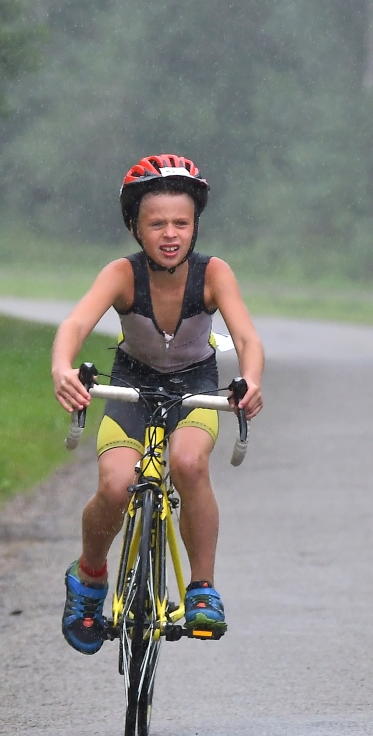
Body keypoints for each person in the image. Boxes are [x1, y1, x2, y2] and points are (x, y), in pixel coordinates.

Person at [51, 154, 264, 654]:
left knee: (188, 464)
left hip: (195, 387)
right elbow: (75, 324)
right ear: (135, 228)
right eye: (157, 224)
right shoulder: (122, 274)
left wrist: (250, 380)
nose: (170, 234)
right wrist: (63, 368)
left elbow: (246, 338)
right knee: (115, 486)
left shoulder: (213, 273)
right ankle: (89, 576)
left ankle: (202, 588)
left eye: (181, 223)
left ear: (195, 227)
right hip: (131, 385)